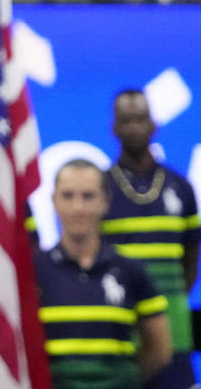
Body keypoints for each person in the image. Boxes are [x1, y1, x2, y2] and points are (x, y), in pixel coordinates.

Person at [35, 159, 172, 388]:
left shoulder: (131, 270)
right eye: (68, 196)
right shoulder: (34, 270)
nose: (77, 207)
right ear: (53, 201)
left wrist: (123, 381)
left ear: (105, 201)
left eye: (88, 196)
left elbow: (160, 350)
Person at [100, 89, 200, 388]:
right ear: (114, 127)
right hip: (120, 333)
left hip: (175, 330)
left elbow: (191, 261)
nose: (133, 127)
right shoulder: (101, 188)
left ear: (153, 125)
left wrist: (163, 300)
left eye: (140, 119)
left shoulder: (180, 187)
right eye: (125, 120)